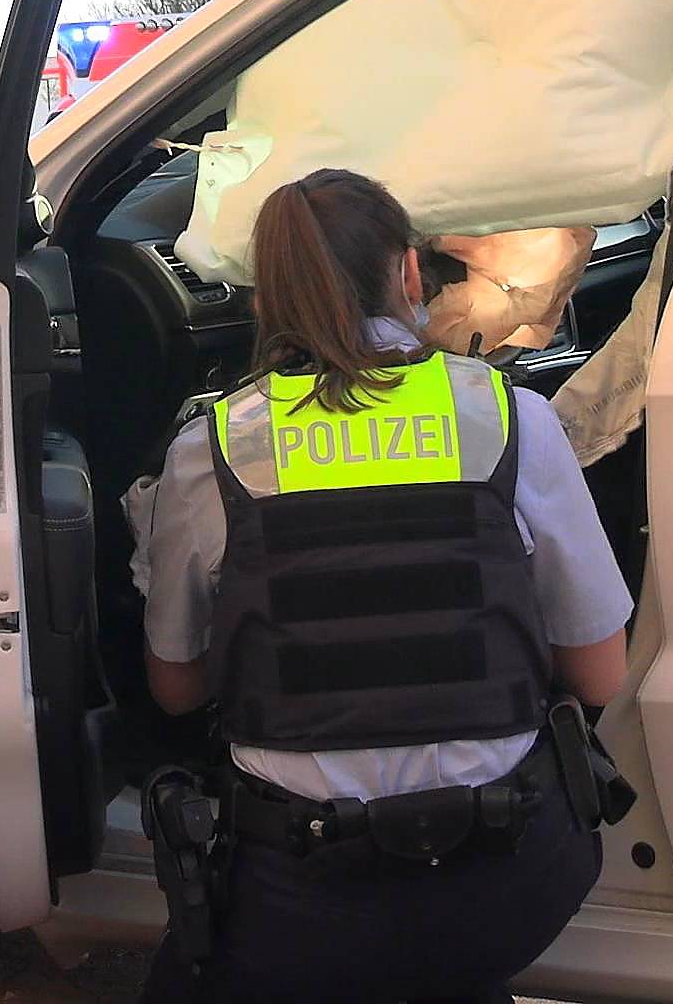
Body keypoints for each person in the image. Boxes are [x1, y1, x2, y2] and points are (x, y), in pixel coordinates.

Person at [136, 169, 631, 1003]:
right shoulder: (511, 419)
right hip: (504, 884)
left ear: (267, 299)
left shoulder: (214, 450)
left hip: (299, 899)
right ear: (407, 272)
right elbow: (601, 674)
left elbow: (176, 689)